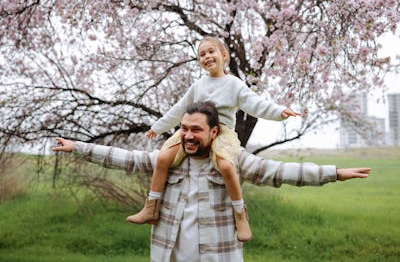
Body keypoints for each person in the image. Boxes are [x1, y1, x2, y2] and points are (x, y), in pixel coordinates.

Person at [52, 101, 371, 262]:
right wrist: (78, 147)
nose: (188, 136)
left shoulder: (230, 161)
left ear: (214, 132)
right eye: (184, 129)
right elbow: (126, 158)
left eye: (196, 130)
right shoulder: (172, 160)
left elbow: (279, 172)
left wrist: (335, 173)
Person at [130, 35, 300, 242]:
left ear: (224, 55)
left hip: (222, 132)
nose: (207, 56)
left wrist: (279, 111)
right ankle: (151, 206)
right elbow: (180, 109)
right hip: (197, 130)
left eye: (211, 52)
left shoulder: (233, 84)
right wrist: (158, 127)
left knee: (227, 167)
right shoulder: (198, 85)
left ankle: (240, 214)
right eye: (202, 54)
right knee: (164, 158)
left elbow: (256, 104)